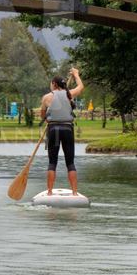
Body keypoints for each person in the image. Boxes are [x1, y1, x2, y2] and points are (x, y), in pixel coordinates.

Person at [40, 67, 85, 196]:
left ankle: (49, 192)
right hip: (67, 129)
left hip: (54, 129)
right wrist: (76, 75)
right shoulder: (69, 94)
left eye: (51, 83)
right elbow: (81, 87)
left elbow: (43, 116)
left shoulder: (46, 97)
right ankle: (75, 193)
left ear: (54, 84)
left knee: (52, 162)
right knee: (70, 162)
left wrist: (49, 120)